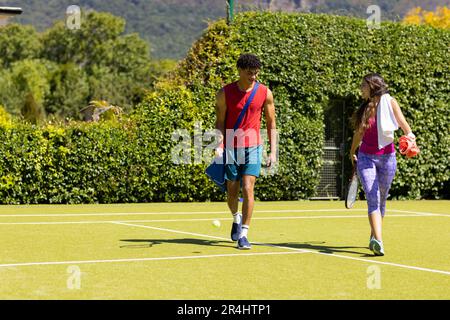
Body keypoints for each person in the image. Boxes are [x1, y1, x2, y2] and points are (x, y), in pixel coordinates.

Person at [214, 53, 277, 249]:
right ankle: (236, 217)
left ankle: (244, 234)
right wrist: (219, 144)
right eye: (250, 73)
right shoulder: (224, 93)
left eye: (256, 73)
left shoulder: (265, 93)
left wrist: (273, 151)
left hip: (253, 146)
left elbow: (271, 122)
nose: (253, 77)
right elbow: (220, 122)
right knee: (232, 192)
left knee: (249, 188)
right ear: (240, 70)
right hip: (231, 146)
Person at [350, 73, 416, 256]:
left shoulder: (390, 102)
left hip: (387, 157)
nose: (361, 89)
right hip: (366, 157)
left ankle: (373, 236)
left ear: (372, 86)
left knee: (382, 198)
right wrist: (352, 151)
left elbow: (403, 123)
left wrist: (411, 139)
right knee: (372, 196)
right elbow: (359, 134)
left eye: (363, 85)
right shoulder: (365, 108)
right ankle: (379, 240)